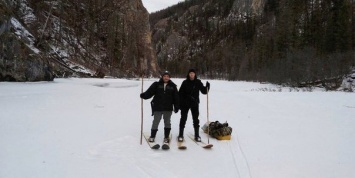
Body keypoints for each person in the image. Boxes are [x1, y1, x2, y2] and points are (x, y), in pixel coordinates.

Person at [140, 71, 179, 144]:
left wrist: (176, 106)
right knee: (155, 122)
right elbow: (150, 92)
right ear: (162, 77)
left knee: (167, 122)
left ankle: (166, 137)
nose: (166, 77)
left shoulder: (173, 86)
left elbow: (176, 97)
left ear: (169, 77)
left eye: (167, 76)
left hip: (168, 108)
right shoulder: (156, 84)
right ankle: (152, 136)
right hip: (158, 107)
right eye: (165, 76)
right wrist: (144, 95)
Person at [178, 69, 210, 142]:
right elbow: (180, 94)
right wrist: (179, 104)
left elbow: (204, 91)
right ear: (188, 74)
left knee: (196, 119)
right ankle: (180, 134)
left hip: (194, 104)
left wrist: (207, 87)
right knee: (183, 119)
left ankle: (197, 135)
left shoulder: (198, 82)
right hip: (185, 104)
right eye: (190, 73)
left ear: (195, 74)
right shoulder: (185, 82)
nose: (192, 75)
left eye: (193, 73)